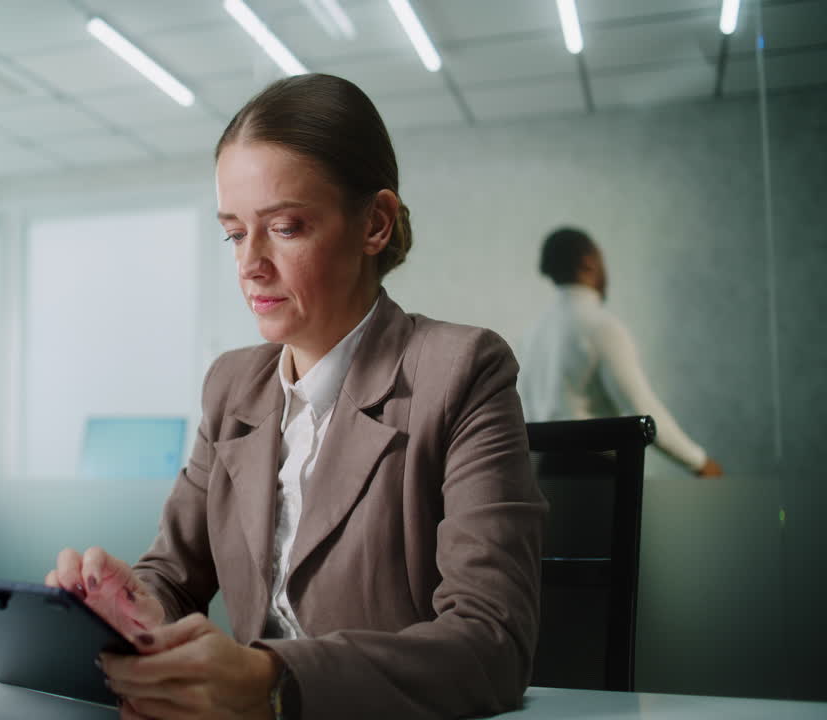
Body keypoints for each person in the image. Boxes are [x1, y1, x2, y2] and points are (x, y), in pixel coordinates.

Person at [46, 74, 547, 719]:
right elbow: (171, 574)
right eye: (233, 232)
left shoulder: (463, 370)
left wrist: (273, 679)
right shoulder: (231, 386)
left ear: (375, 223)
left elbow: (492, 644)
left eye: (283, 227)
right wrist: (132, 608)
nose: (248, 263)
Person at [517, 228, 724, 477]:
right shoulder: (601, 327)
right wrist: (700, 462)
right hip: (594, 477)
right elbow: (641, 410)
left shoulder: (530, 335)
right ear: (589, 263)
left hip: (543, 478)